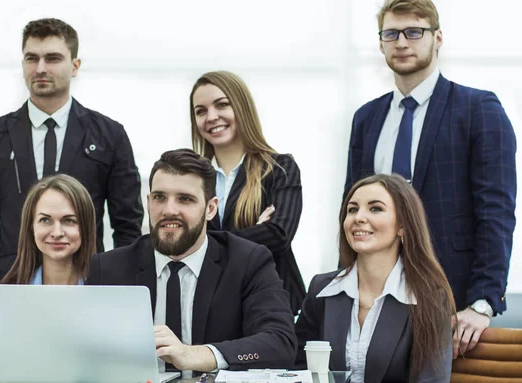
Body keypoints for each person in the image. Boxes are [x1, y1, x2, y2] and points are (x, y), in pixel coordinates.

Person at [344, 0, 516, 358]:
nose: (402, 42)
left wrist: (482, 302)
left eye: (414, 32)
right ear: (380, 43)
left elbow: (496, 212)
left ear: (437, 38)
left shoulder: (478, 109)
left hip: (452, 296)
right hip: (377, 296)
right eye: (391, 33)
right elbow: (353, 210)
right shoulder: (366, 118)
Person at [0, 18, 143, 320]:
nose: (40, 68)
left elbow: (128, 226)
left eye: (53, 58)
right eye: (31, 58)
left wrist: (115, 290)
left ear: (75, 65)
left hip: (88, 288)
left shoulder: (109, 135)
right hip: (12, 290)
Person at [86, 149, 297, 376]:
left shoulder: (247, 261)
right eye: (159, 197)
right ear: (148, 202)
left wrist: (197, 355)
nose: (169, 210)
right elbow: (83, 351)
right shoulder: (107, 268)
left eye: (185, 199)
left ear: (210, 208)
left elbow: (280, 343)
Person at [296, 174, 455, 382]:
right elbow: (296, 366)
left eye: (375, 208)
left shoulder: (431, 298)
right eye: (352, 209)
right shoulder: (322, 289)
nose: (358, 217)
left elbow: (431, 380)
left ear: (403, 226)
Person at [189, 70, 306, 315]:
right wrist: (253, 231)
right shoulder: (194, 180)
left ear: (242, 107)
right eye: (201, 111)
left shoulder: (280, 169)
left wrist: (211, 242)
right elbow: (185, 243)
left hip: (273, 304)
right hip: (217, 306)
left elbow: (278, 236)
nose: (211, 117)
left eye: (222, 105)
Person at [0, 174, 97, 368]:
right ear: (31, 227)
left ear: (85, 228)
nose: (56, 232)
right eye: (45, 220)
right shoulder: (5, 299)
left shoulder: (106, 294)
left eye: (69, 220)